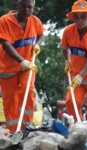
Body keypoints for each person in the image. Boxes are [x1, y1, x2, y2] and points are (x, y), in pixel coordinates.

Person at [0, 0, 44, 133]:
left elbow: (41, 34)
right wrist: (22, 61)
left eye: (30, 7)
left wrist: (37, 44)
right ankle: (14, 132)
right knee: (10, 101)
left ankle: (27, 128)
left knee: (28, 91)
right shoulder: (4, 21)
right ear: (17, 4)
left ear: (33, 8)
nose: (26, 10)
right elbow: (6, 44)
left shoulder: (35, 21)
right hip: (7, 69)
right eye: (23, 6)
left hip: (27, 68)